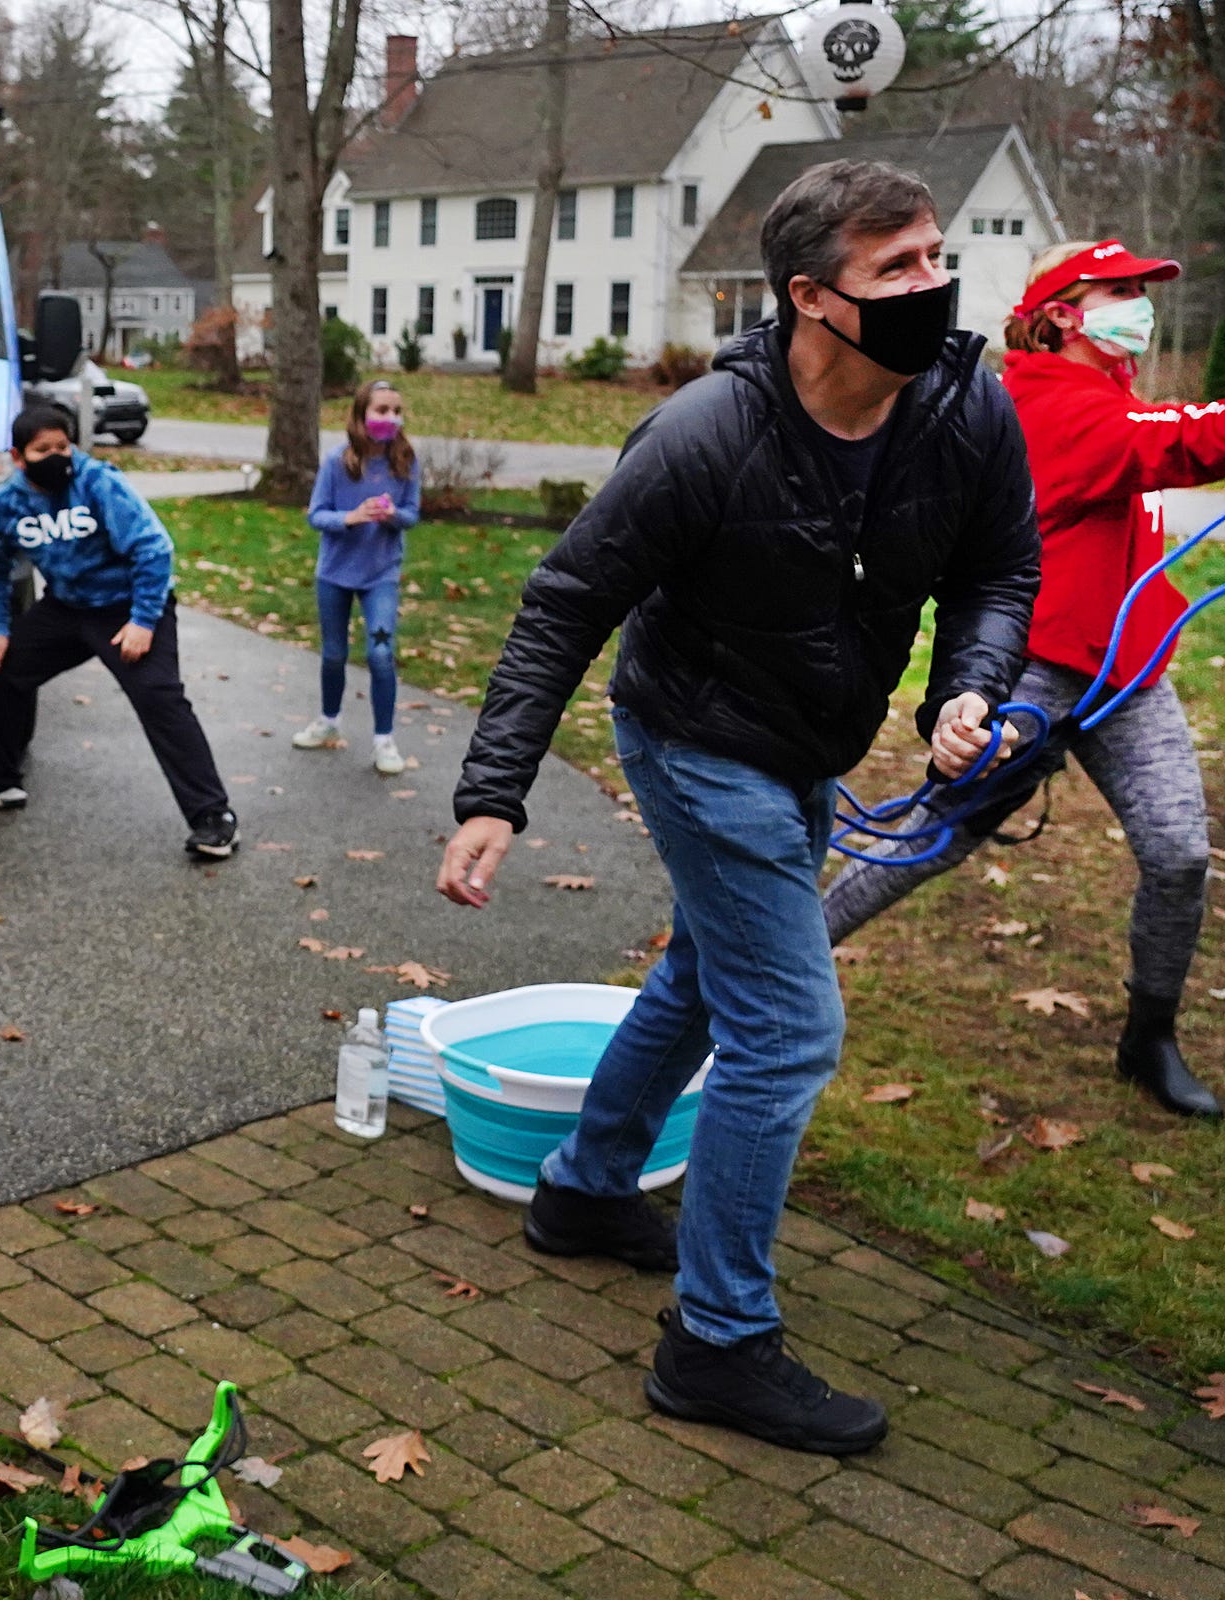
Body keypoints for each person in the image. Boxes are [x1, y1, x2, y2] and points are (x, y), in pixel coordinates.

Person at [436, 161, 1041, 1455]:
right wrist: (495, 792)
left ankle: (585, 1190)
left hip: (809, 733)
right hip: (697, 738)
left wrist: (969, 686)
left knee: (712, 976)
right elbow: (565, 605)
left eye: (936, 256)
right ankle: (715, 1340)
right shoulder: (707, 433)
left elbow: (1001, 565)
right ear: (811, 298)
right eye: (898, 269)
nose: (935, 285)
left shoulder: (964, 405)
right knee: (788, 1020)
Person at [826, 238, 1225, 1121]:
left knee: (1180, 853)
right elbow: (1193, 439)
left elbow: (1176, 433)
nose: (1140, 303)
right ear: (1061, 314)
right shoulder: (1045, 403)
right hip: (1037, 669)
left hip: (1127, 674)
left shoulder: (1111, 394)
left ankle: (1149, 1036)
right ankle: (781, 967)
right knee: (933, 840)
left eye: (1141, 289)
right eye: (1118, 290)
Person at [0, 403, 240, 859]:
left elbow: (153, 549)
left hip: (132, 605)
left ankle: (212, 817)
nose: (58, 455)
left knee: (159, 698)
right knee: (6, 668)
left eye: (63, 446)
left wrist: (142, 621)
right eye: (43, 450)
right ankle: (0, 781)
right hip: (67, 607)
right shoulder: (7, 503)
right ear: (19, 457)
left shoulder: (100, 483)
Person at [293, 380, 422, 775]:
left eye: (396, 411)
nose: (391, 419)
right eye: (382, 410)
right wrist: (351, 518)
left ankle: (384, 739)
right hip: (335, 574)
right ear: (361, 414)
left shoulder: (406, 461)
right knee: (334, 654)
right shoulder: (337, 462)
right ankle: (328, 720)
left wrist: (392, 516)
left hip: (380, 575)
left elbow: (413, 513)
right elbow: (316, 515)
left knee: (381, 654)